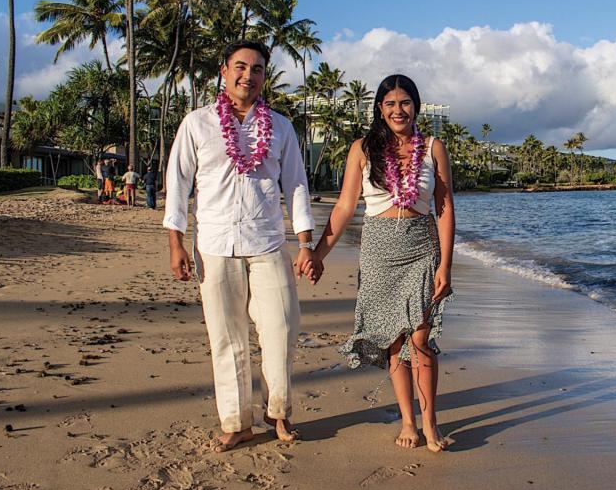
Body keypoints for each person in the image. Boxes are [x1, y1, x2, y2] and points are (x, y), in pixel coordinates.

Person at [163, 40, 319, 453]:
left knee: (282, 327)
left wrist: (305, 242)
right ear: (224, 71)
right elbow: (177, 183)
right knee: (226, 336)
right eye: (240, 67)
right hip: (213, 244)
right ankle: (237, 422)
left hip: (267, 242)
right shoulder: (197, 123)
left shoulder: (280, 127)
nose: (248, 75)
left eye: (257, 69)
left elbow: (296, 185)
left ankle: (278, 411)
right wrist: (176, 242)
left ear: (265, 77)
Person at [309, 74, 455, 453]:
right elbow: (345, 206)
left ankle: (430, 422)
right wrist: (318, 253)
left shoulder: (433, 148)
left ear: (416, 106)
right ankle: (408, 421)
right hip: (378, 251)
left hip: (422, 246)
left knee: (421, 338)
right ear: (379, 108)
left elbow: (444, 208)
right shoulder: (362, 148)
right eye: (390, 103)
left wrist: (445, 265)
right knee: (394, 339)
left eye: (405, 102)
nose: (398, 110)